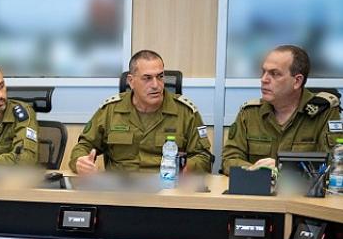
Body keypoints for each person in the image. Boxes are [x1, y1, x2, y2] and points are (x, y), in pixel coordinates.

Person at [69, 50, 212, 175]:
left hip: (167, 187)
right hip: (121, 190)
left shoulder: (186, 113)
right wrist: (81, 162)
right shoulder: (110, 110)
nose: (156, 85)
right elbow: (84, 146)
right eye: (147, 78)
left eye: (160, 77)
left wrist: (185, 168)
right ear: (131, 81)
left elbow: (204, 157)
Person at [222, 45, 341, 174]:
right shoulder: (250, 114)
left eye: (274, 74)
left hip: (302, 187)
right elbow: (229, 159)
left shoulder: (324, 113)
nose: (264, 79)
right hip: (257, 186)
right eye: (263, 72)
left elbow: (336, 164)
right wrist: (254, 170)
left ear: (297, 81)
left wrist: (284, 169)